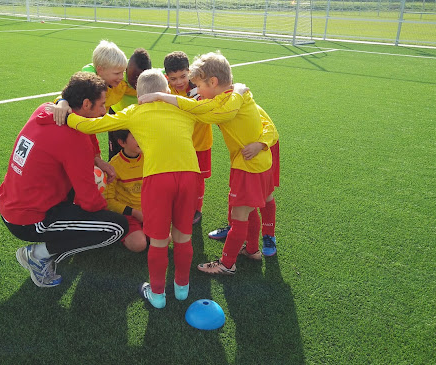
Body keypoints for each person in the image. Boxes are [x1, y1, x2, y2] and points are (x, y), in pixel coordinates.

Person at [62, 69, 248, 308]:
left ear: (140, 95)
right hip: (190, 176)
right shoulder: (184, 106)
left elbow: (90, 126)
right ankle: (182, 289)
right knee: (183, 238)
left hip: (158, 179)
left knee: (159, 241)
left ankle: (158, 295)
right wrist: (239, 92)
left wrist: (65, 108)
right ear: (167, 90)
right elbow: (217, 111)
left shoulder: (134, 111)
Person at [139, 51, 278, 275]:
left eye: (199, 86)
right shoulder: (236, 95)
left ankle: (227, 264)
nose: (198, 92)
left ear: (213, 82)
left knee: (240, 216)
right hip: (256, 163)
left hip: (248, 166)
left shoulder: (229, 104)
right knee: (249, 209)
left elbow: (199, 110)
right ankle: (252, 250)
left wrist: (162, 97)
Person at [0, 72, 129, 288]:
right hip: (29, 220)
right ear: (86, 104)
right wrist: (108, 210)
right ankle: (38, 255)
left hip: (11, 204)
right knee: (115, 227)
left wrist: (97, 159)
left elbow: (84, 128)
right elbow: (90, 200)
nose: (105, 111)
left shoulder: (45, 109)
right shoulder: (74, 141)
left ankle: (57, 238)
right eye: (102, 105)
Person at [51, 40, 132, 183]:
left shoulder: (121, 81)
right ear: (100, 71)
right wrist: (61, 101)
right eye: (117, 73)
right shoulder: (88, 85)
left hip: (90, 125)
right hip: (75, 129)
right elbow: (69, 95)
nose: (121, 76)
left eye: (123, 72)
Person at [207, 106, 280, 256]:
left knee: (265, 195)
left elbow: (271, 129)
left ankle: (268, 235)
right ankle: (234, 226)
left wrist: (260, 145)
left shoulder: (240, 103)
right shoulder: (211, 101)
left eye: (201, 86)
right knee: (237, 190)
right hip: (242, 152)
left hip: (263, 149)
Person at [164, 51, 211, 225]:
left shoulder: (200, 87)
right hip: (177, 144)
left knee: (198, 179)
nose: (179, 82)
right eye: (173, 78)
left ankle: (196, 208)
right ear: (166, 76)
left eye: (183, 76)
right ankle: (178, 204)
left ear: (189, 72)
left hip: (200, 143)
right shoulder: (164, 88)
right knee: (178, 176)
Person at [106, 130, 147, 253]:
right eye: (135, 137)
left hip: (148, 211)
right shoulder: (114, 165)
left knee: (166, 240)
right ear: (122, 142)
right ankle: (119, 230)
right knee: (139, 245)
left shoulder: (149, 158)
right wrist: (134, 212)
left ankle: (143, 231)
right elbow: (108, 201)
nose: (140, 139)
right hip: (128, 214)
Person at [109, 48, 152, 159]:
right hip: (117, 115)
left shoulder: (152, 78)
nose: (136, 83)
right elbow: (90, 67)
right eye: (132, 78)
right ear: (126, 70)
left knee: (139, 151)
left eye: (140, 79)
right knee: (116, 151)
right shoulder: (119, 73)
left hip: (137, 117)